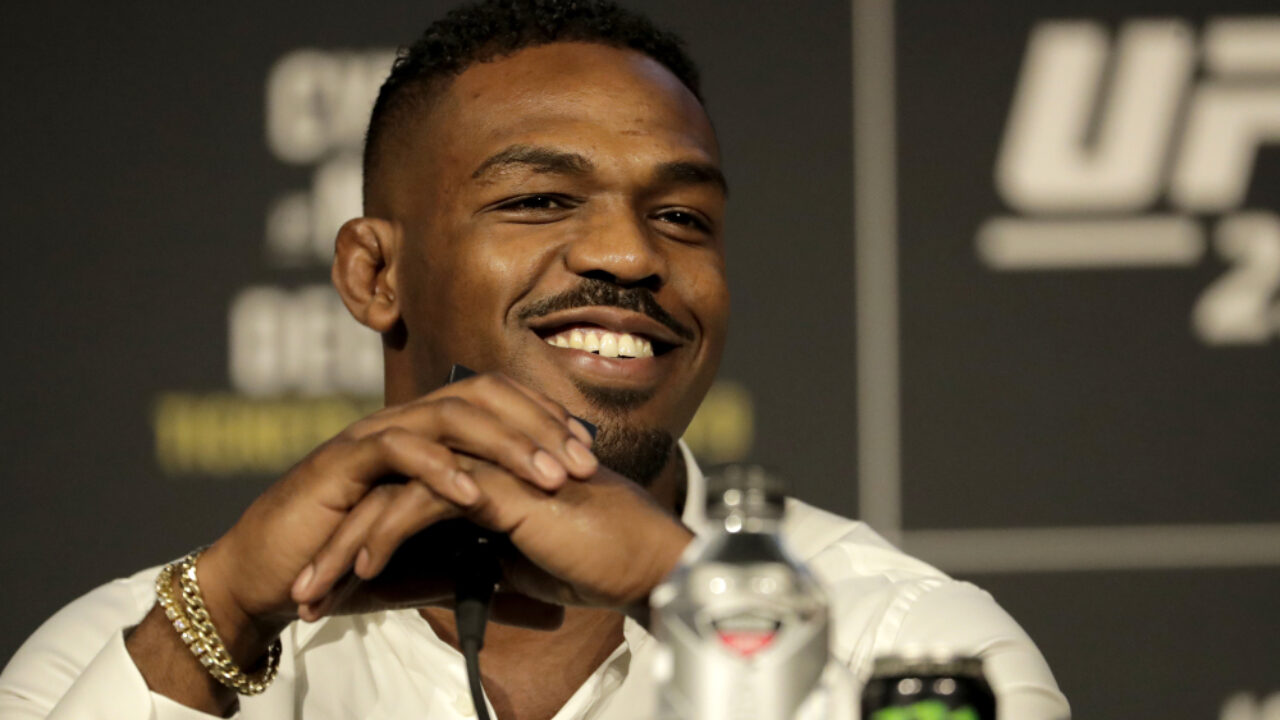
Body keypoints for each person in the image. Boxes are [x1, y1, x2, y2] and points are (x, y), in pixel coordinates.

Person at [0, 1, 1070, 718]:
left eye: (682, 217)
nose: (630, 255)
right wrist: (220, 622)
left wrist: (686, 592)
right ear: (375, 274)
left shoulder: (916, 648)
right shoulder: (125, 658)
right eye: (541, 200)